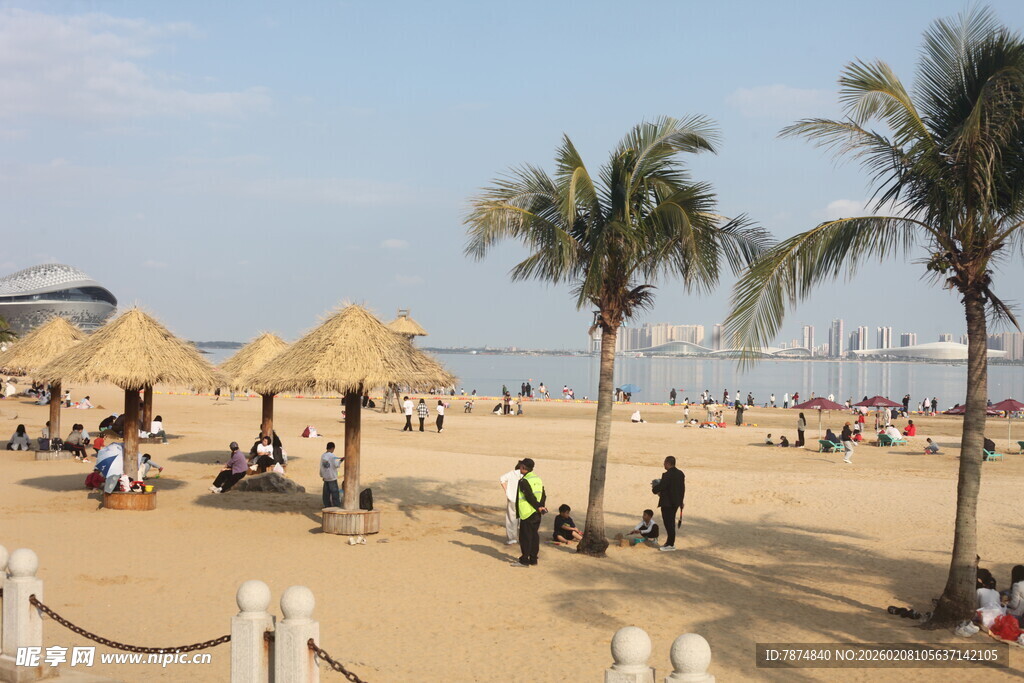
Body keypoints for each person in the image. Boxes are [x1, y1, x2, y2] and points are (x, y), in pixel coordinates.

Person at [510, 458, 546, 568]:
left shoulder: (524, 481)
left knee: (526, 537)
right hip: (537, 513)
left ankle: (524, 560)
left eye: (521, 466)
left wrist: (538, 506)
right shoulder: (537, 479)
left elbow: (529, 496)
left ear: (523, 468)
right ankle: (533, 559)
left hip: (527, 513)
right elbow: (543, 494)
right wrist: (541, 506)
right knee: (534, 535)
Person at [651, 456, 685, 552]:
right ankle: (669, 543)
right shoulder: (680, 474)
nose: (664, 465)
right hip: (676, 502)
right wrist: (681, 501)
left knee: (668, 523)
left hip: (667, 503)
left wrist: (654, 489)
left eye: (664, 463)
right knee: (671, 523)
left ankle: (670, 544)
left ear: (668, 463)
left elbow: (662, 486)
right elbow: (682, 489)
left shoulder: (667, 475)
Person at [499, 461, 523, 545]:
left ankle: (511, 539)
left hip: (512, 498)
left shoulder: (512, 473)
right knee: (522, 519)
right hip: (522, 500)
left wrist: (506, 491)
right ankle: (522, 538)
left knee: (511, 519)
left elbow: (502, 479)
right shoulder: (525, 475)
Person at [319, 442, 344, 508]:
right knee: (335, 493)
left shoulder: (323, 456)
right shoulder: (332, 456)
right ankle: (336, 506)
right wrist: (341, 461)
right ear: (332, 448)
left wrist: (322, 475)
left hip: (326, 477)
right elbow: (336, 465)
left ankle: (327, 506)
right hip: (332, 477)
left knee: (326, 494)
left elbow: (321, 467)